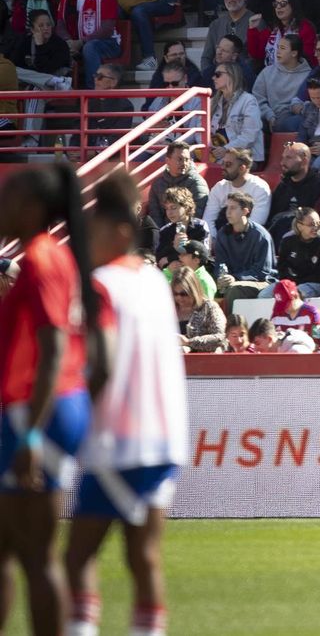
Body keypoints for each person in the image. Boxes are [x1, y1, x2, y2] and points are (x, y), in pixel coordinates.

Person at [61, 172, 184, 636]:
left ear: (116, 230)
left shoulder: (102, 285)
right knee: (145, 557)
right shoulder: (155, 280)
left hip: (117, 439)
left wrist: (74, 423)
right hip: (165, 436)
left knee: (76, 558)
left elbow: (102, 364)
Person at [0, 163, 102, 636]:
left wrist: (32, 434)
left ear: (34, 207)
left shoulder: (40, 261)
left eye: (11, 193)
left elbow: (55, 346)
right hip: (44, 408)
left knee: (36, 556)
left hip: (34, 413)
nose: (3, 200)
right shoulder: (50, 257)